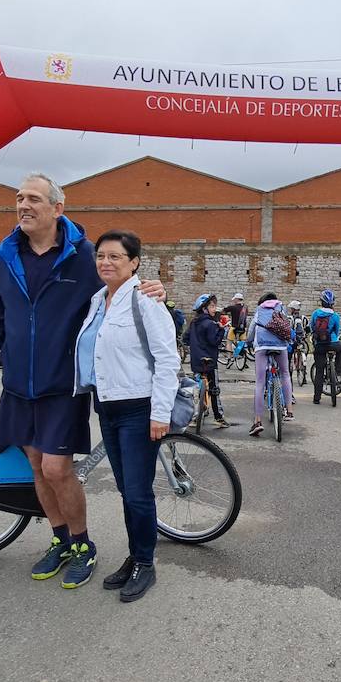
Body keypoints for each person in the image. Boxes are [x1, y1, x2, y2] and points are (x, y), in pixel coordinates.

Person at [0, 172, 164, 591]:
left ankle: (83, 545)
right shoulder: (7, 253)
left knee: (58, 468)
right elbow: (2, 302)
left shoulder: (85, 255)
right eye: (19, 197)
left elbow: (122, 289)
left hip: (64, 383)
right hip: (19, 379)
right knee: (37, 466)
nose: (23, 205)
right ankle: (59, 540)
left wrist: (154, 291)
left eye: (34, 198)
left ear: (57, 207)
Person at [74, 230, 178, 601]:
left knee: (137, 492)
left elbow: (168, 358)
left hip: (139, 408)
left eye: (115, 256)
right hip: (107, 405)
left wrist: (159, 413)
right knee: (124, 489)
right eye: (101, 256)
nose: (106, 262)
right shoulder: (97, 300)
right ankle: (135, 556)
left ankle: (146, 564)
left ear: (134, 262)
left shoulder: (146, 300)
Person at [246, 292, 294, 436]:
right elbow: (287, 326)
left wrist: (248, 342)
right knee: (285, 374)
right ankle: (290, 411)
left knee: (260, 383)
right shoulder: (281, 308)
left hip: (262, 346)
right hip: (280, 345)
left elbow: (252, 328)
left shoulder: (260, 309)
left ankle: (257, 421)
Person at [187, 294, 230, 429]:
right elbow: (215, 341)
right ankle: (218, 417)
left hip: (196, 361)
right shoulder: (211, 324)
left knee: (197, 388)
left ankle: (196, 416)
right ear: (204, 308)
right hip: (210, 361)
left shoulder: (193, 322)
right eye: (212, 306)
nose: (214, 309)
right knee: (214, 389)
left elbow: (185, 338)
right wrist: (221, 330)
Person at [309, 289, 341, 405]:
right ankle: (338, 369)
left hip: (320, 345)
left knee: (319, 371)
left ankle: (316, 398)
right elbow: (337, 331)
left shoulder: (315, 313)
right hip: (333, 343)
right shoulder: (335, 316)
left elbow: (312, 327)